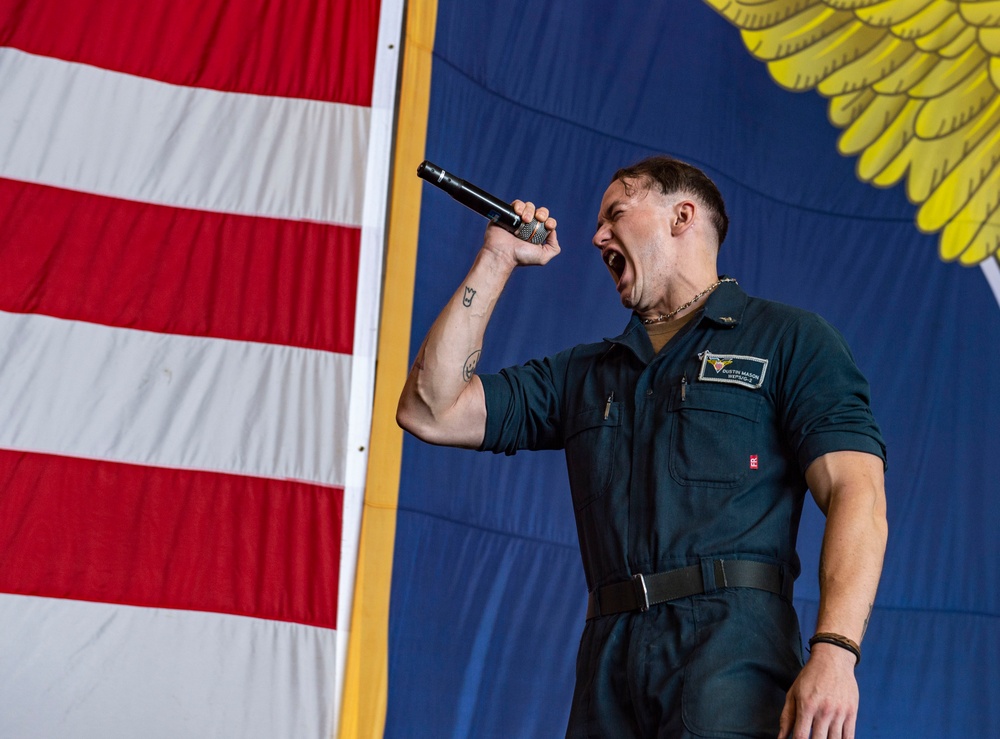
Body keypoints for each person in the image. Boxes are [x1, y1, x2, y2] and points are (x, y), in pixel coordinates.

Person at [396, 155, 887, 739]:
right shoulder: (585, 374)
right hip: (609, 669)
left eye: (616, 213)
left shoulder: (790, 340)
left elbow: (858, 491)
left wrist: (835, 653)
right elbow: (430, 409)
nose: (598, 235)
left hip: (732, 665)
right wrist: (498, 256)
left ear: (682, 216)